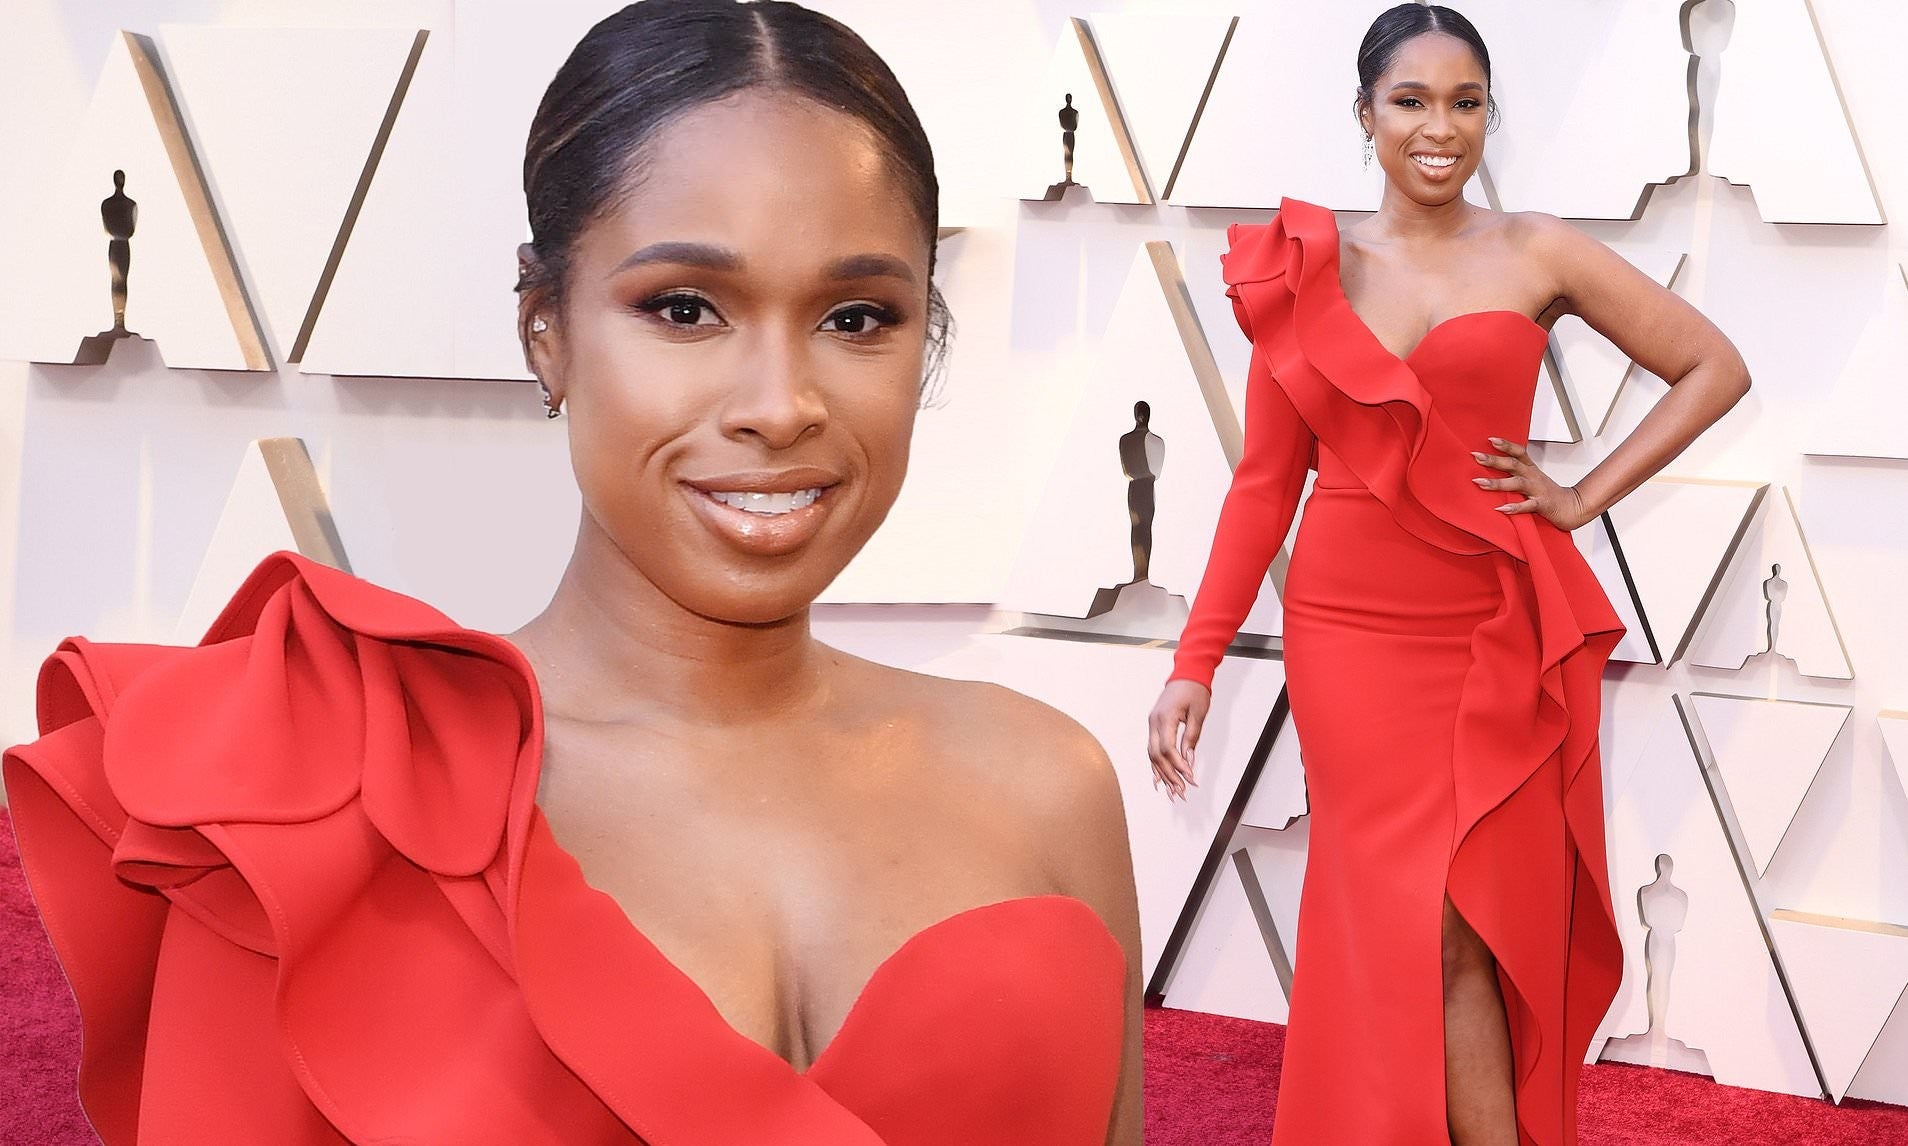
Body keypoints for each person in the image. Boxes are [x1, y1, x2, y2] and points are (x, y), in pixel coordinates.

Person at [4, 3, 1142, 1143]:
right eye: (685, 309)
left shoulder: (1051, 787)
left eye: (856, 317)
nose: (779, 404)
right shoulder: (319, 804)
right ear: (545, 326)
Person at [1145, 5, 1748, 1144]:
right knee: (1397, 922)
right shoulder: (1304, 267)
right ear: (1363, 113)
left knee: (1469, 919)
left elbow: (1712, 365)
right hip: (1350, 633)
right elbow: (1265, 484)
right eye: (1410, 101)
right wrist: (1197, 662)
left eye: (1464, 102)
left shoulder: (1537, 250)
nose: (1439, 127)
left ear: (1490, 115)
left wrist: (1579, 494)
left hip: (1488, 621)